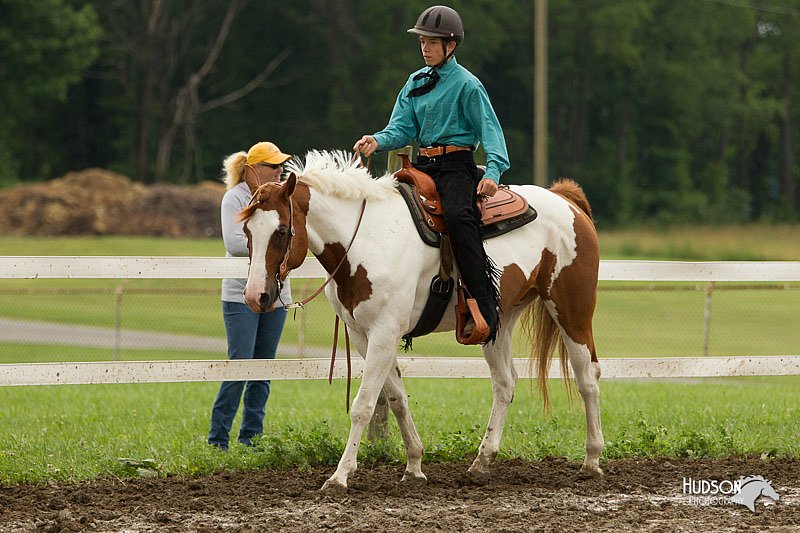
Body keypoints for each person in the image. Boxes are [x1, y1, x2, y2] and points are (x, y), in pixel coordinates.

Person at [353, 5, 510, 343]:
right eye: (422, 41)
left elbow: (491, 133)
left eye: (431, 42)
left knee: (458, 217)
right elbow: (401, 128)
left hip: (457, 167)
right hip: (421, 166)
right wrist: (376, 140)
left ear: (450, 46)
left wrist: (493, 171)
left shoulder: (469, 86)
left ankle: (482, 307)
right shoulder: (414, 82)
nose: (424, 47)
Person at [208, 141, 293, 450]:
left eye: (281, 165)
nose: (280, 170)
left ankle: (251, 439)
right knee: (240, 365)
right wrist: (274, 242)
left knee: (264, 369)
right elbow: (233, 242)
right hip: (238, 293)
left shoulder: (284, 196)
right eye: (273, 166)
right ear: (254, 170)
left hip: (278, 293)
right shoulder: (235, 198)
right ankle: (218, 440)